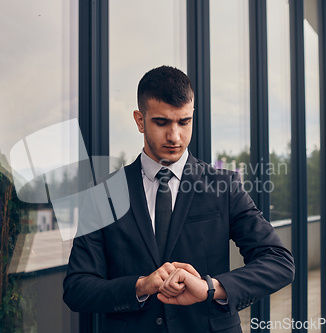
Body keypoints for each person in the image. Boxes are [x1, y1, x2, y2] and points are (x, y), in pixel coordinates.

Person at [63, 65, 295, 333]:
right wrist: (140, 286)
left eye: (184, 122)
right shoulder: (103, 194)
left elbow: (278, 261)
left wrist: (212, 288)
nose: (175, 136)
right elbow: (77, 288)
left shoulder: (225, 186)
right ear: (140, 120)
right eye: (161, 122)